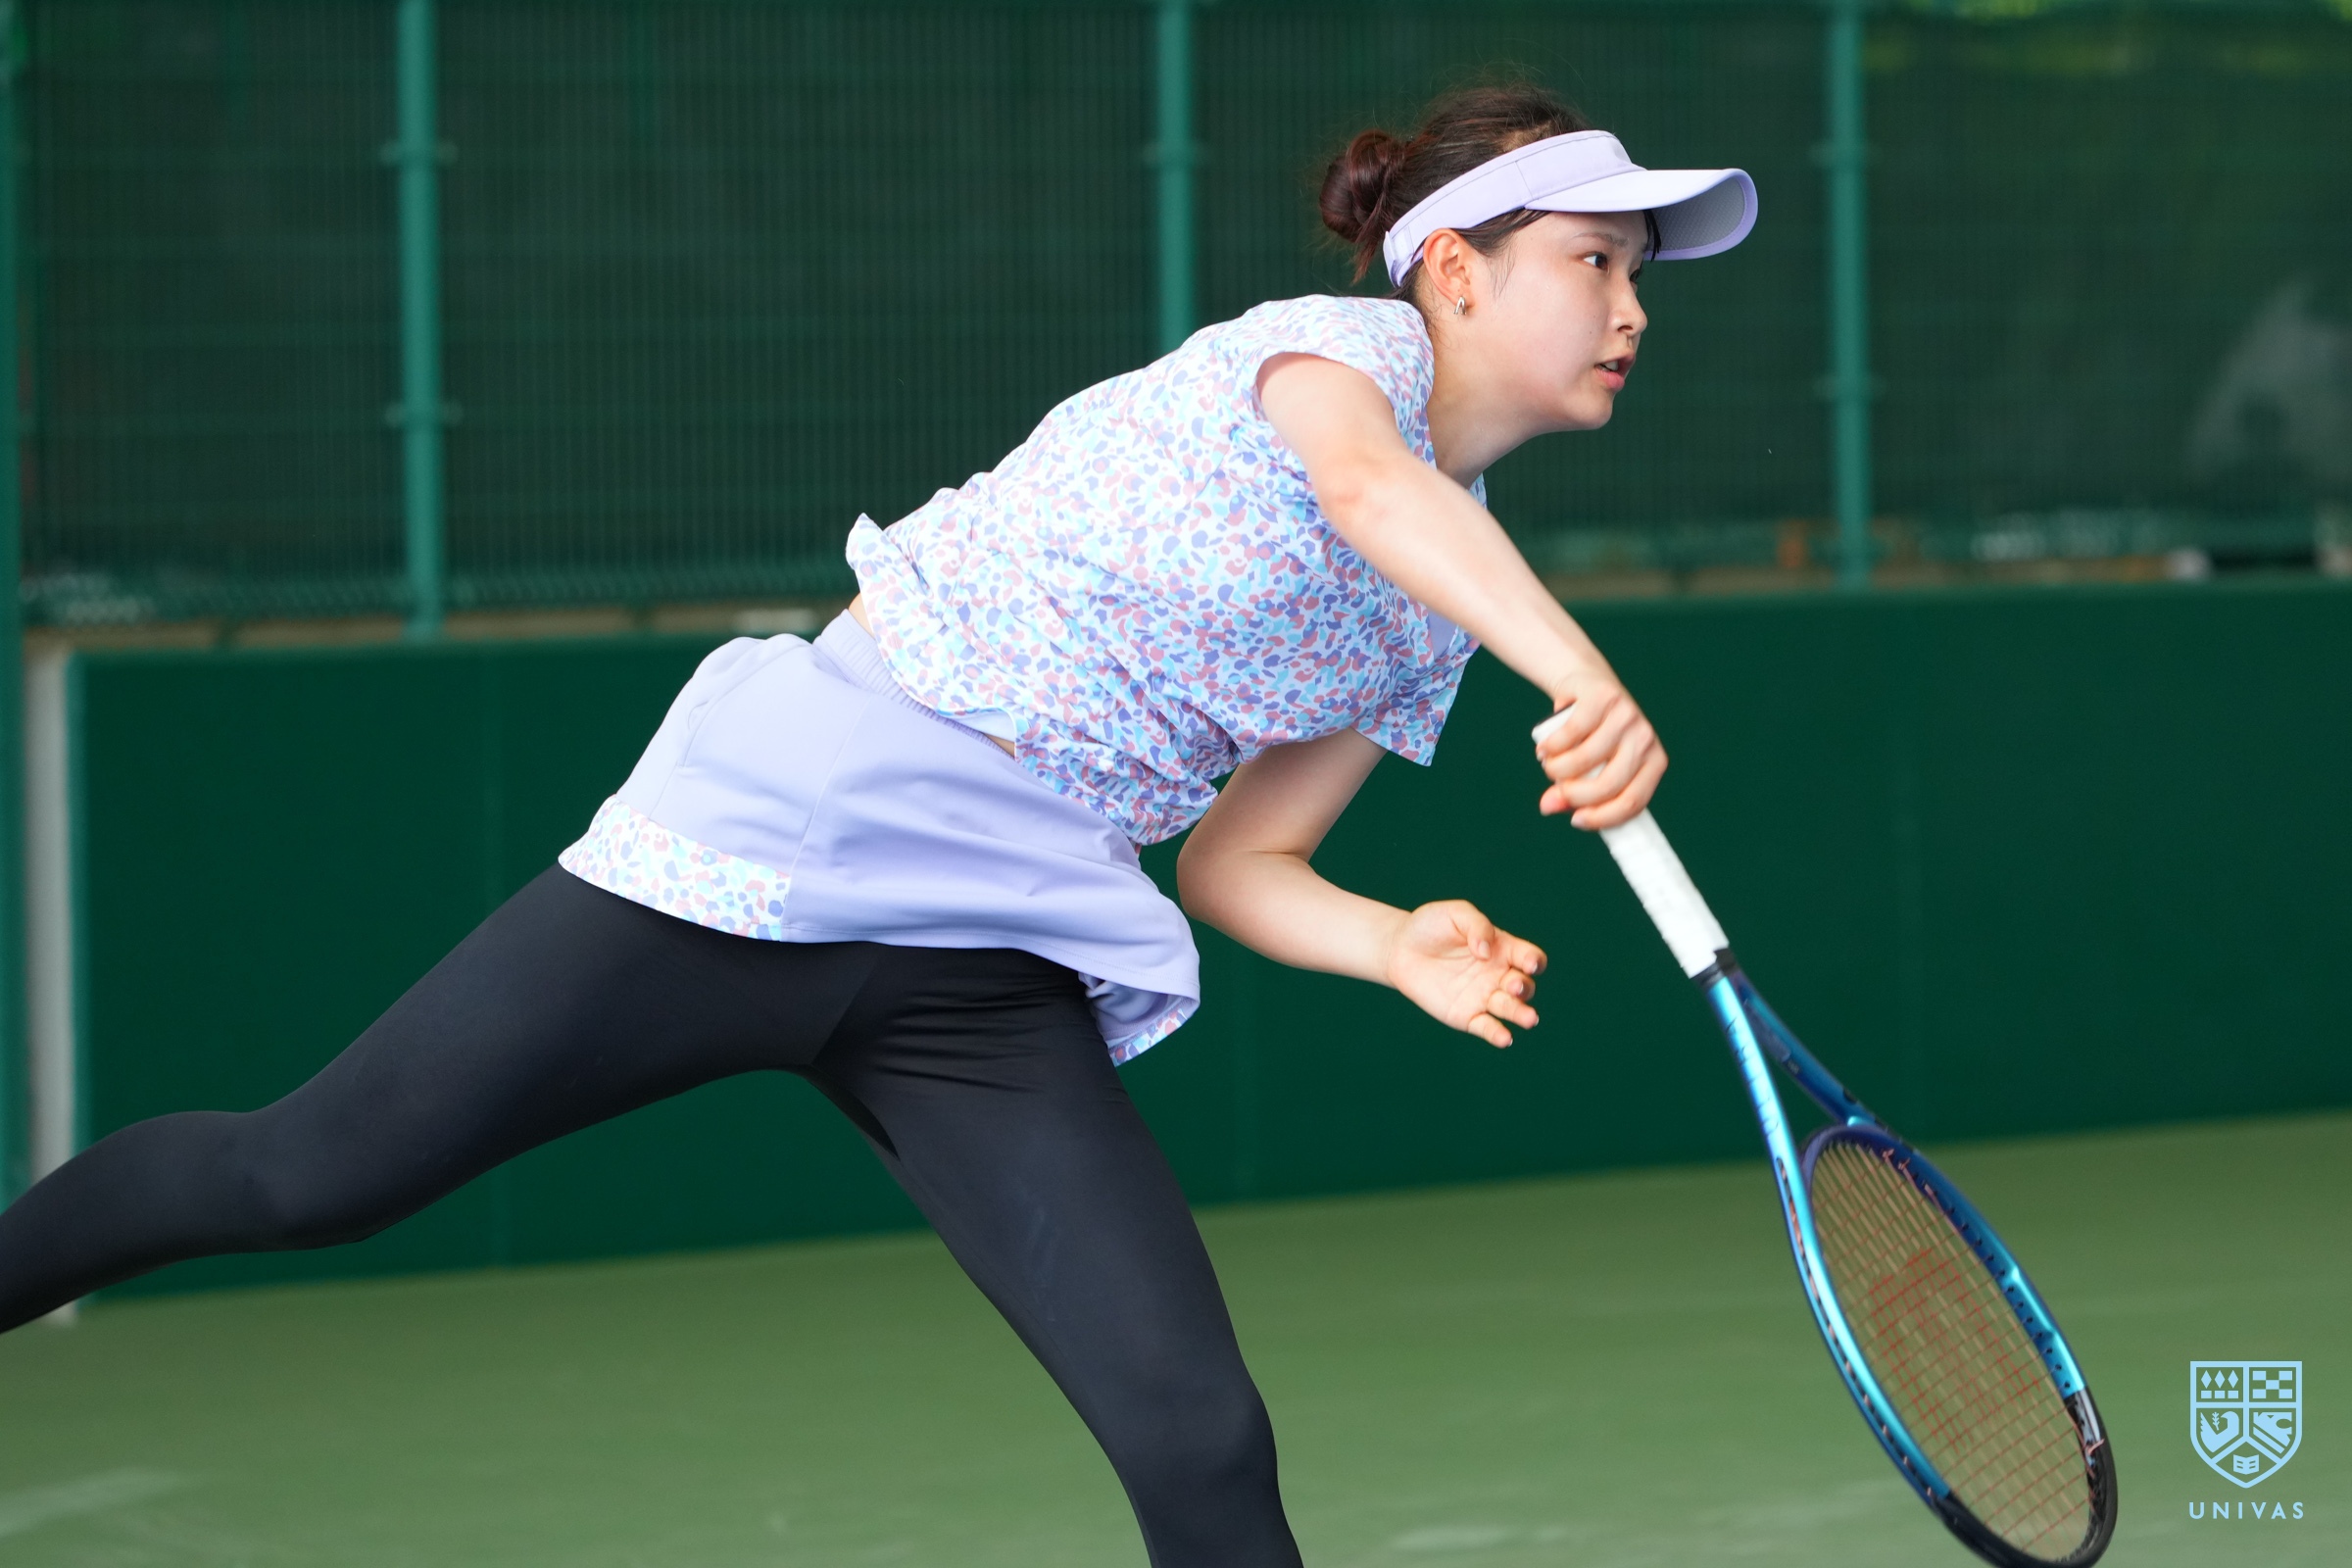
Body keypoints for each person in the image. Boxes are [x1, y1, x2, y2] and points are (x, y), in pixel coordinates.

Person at [0, 84, 1753, 1567]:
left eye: (1640, 272)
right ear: (1452, 270)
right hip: (781, 838)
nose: (1633, 307)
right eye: (1594, 259)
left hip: (988, 961)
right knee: (308, 1177)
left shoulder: (1434, 609)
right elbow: (1368, 488)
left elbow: (1239, 862)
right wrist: (1580, 671)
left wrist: (1391, 942)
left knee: (1201, 1439)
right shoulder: (1326, 354)